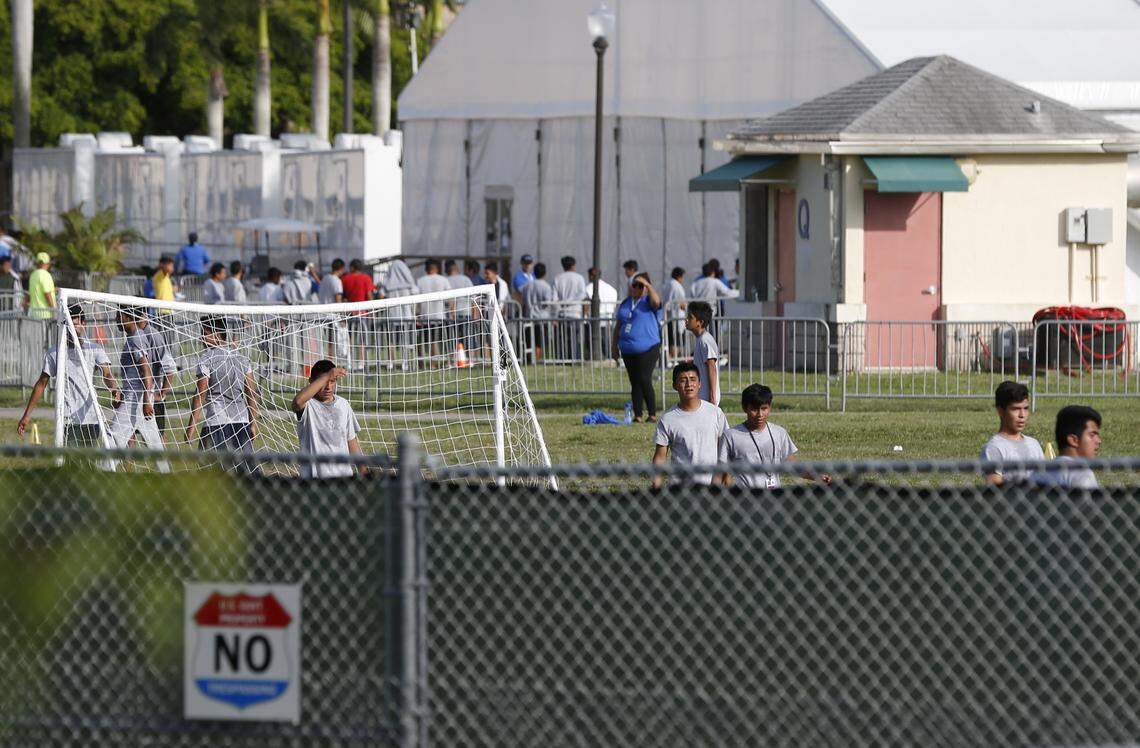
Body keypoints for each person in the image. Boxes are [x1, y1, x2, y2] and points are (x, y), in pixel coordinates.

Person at [18, 304, 120, 447]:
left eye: (76, 324)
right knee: (71, 463)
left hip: (90, 417)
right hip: (67, 419)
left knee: (89, 463)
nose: (72, 328)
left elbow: (107, 375)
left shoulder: (94, 349)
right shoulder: (55, 353)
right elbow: (41, 384)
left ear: (84, 324)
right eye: (68, 324)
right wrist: (26, 415)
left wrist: (114, 390)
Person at [722, 384, 830, 489]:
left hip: (773, 499)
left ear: (770, 407)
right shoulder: (731, 436)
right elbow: (723, 473)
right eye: (754, 409)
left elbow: (792, 464)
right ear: (745, 408)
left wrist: (816, 476)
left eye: (764, 408)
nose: (760, 414)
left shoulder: (779, 433)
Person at [185, 316, 258, 453]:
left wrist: (191, 427)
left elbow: (200, 394)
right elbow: (251, 394)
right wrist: (252, 424)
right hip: (241, 423)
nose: (201, 338)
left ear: (217, 335)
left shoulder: (207, 358)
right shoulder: (242, 358)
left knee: (208, 470)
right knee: (242, 470)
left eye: (205, 334)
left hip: (216, 422)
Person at [652, 361, 729, 488]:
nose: (689, 384)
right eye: (683, 380)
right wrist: (656, 486)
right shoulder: (667, 419)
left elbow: (726, 450)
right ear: (675, 385)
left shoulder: (715, 413)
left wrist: (723, 479)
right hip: (680, 488)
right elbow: (660, 457)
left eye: (693, 379)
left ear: (699, 384)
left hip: (712, 486)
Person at [291, 359, 366, 478]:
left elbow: (351, 440)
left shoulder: (343, 404)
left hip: (343, 477)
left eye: (332, 381)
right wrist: (326, 377)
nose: (328, 387)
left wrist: (363, 471)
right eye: (324, 382)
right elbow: (297, 402)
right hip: (313, 479)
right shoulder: (308, 404)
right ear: (312, 382)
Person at [107, 307, 166, 455]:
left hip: (135, 400)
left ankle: (103, 474)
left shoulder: (136, 338)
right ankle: (166, 475)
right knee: (155, 446)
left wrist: (147, 400)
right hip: (136, 398)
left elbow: (146, 369)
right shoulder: (134, 337)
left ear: (127, 316)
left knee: (111, 440)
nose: (116, 319)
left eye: (118, 315)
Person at [614, 272, 663, 423]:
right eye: (634, 285)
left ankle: (652, 413)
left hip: (648, 348)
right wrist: (614, 346)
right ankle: (638, 414)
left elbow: (657, 302)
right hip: (628, 349)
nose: (636, 288)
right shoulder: (626, 303)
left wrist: (647, 286)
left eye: (640, 285)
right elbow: (618, 325)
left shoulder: (648, 301)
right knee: (635, 381)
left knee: (644, 378)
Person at [981, 380, 1044, 486]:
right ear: (1000, 411)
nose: (1022, 415)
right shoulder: (994, 448)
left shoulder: (1034, 444)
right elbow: (995, 489)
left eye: (1026, 408)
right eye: (1015, 409)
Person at [135, 312, 176, 435]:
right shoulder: (134, 334)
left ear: (145, 316)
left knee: (156, 439)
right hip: (135, 397)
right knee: (128, 435)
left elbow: (170, 366)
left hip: (151, 399)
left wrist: (162, 394)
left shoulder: (152, 335)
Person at [1051, 405, 1102, 489]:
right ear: (1073, 440)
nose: (1099, 441)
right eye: (1092, 435)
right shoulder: (1083, 475)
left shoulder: (1040, 473)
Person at [416, 259, 451, 364]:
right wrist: (452, 311)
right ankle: (435, 363)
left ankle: (422, 363)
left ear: (426, 268)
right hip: (439, 316)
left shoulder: (420, 281)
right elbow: (450, 299)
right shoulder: (443, 280)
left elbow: (415, 300)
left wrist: (416, 315)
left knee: (423, 341)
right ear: (436, 268)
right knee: (436, 341)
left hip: (425, 315)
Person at [686, 301, 720, 406]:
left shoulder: (705, 340)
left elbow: (711, 367)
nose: (686, 320)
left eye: (690, 317)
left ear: (699, 322)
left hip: (707, 397)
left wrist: (712, 396)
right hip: (702, 395)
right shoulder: (700, 339)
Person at [523, 262, 555, 360]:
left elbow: (524, 299)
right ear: (544, 273)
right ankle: (537, 359)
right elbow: (548, 302)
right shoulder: (546, 286)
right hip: (542, 317)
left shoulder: (527, 285)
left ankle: (530, 359)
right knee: (539, 342)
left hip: (529, 316)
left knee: (529, 341)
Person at [445, 259, 475, 360]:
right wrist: (475, 313)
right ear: (456, 267)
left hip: (451, 314)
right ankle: (472, 360)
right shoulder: (465, 279)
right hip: (466, 312)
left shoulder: (446, 280)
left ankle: (453, 360)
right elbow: (473, 297)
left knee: (453, 339)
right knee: (469, 338)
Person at [27, 252, 55, 320]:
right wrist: (54, 310)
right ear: (47, 263)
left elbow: (31, 293)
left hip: (33, 314)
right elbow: (47, 294)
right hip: (45, 314)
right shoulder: (45, 275)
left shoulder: (33, 275)